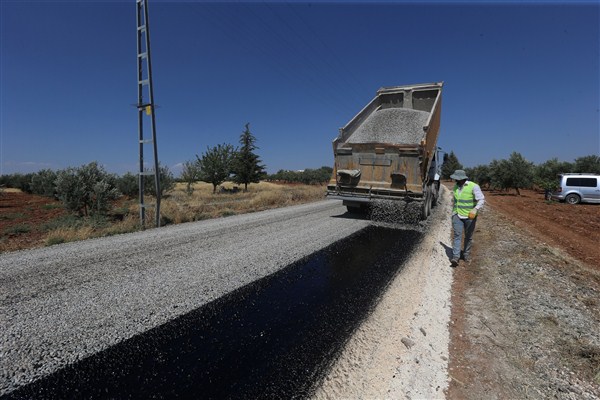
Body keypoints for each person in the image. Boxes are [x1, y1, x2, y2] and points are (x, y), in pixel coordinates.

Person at [450, 169, 485, 266]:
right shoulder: (456, 187)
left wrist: (475, 209)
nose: (455, 180)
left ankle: (466, 254)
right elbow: (456, 201)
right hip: (457, 215)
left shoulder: (473, 186)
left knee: (468, 237)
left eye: (456, 179)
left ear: (462, 179)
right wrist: (453, 213)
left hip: (470, 216)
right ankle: (455, 257)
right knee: (457, 235)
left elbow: (481, 199)